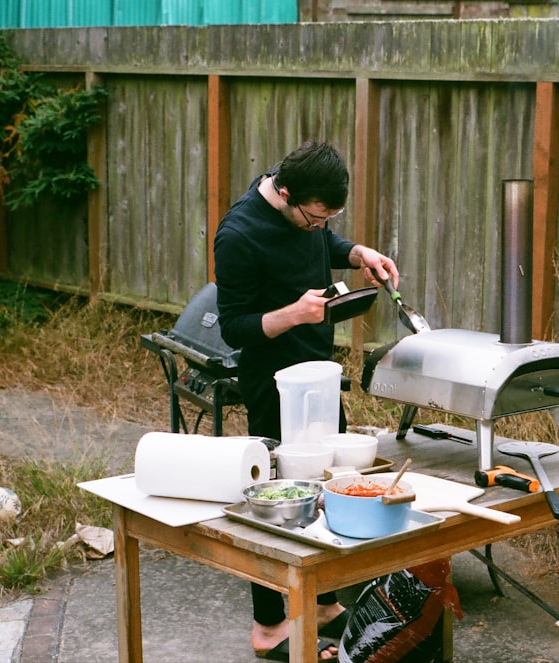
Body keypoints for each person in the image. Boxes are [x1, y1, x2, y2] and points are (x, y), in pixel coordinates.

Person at [214, 141, 399, 662]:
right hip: (272, 383)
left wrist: (357, 253)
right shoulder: (238, 234)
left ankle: (319, 605)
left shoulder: (307, 217)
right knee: (280, 501)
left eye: (328, 219)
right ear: (288, 194)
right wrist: (294, 314)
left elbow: (322, 243)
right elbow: (235, 328)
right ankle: (268, 626)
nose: (320, 226)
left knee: (330, 485)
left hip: (318, 374)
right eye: (315, 218)